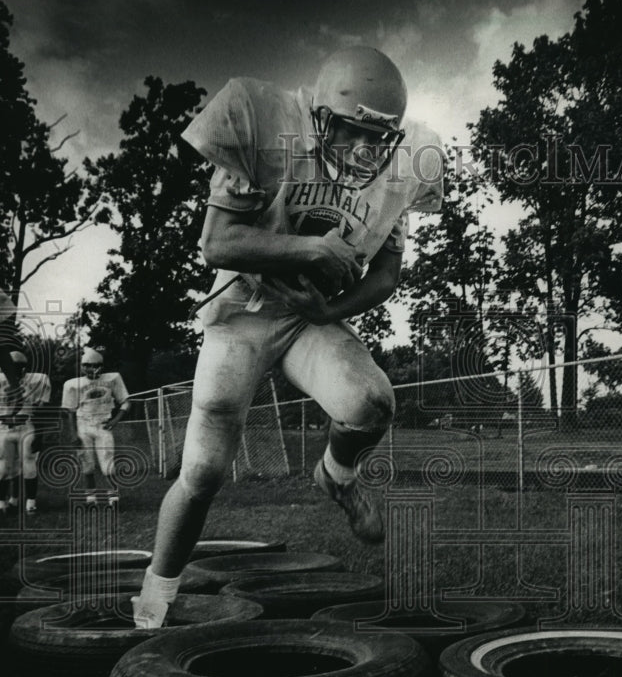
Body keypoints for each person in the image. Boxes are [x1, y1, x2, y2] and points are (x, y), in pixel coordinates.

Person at [131, 45, 444, 628]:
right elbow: (216, 244)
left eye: (378, 138)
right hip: (244, 312)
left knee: (372, 402)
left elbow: (388, 276)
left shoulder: (407, 166)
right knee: (202, 476)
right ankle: (151, 606)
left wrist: (330, 312)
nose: (364, 150)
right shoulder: (268, 128)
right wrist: (310, 249)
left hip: (307, 318)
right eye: (352, 131)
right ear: (321, 117)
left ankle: (338, 475)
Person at [61, 348, 131, 505]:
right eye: (87, 365)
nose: (91, 369)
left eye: (95, 365)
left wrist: (115, 420)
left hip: (102, 425)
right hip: (83, 424)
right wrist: (73, 434)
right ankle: (90, 498)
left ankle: (113, 497)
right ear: (82, 366)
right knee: (87, 463)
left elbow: (126, 402)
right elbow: (70, 412)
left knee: (108, 461)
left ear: (101, 365)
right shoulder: (74, 384)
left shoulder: (112, 378)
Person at [0, 350, 52, 515]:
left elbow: (41, 411)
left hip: (26, 426)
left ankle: (30, 502)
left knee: (28, 462)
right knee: (4, 467)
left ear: (24, 368)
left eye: (17, 367)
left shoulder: (37, 380)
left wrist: (40, 434)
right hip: (4, 427)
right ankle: (4, 501)